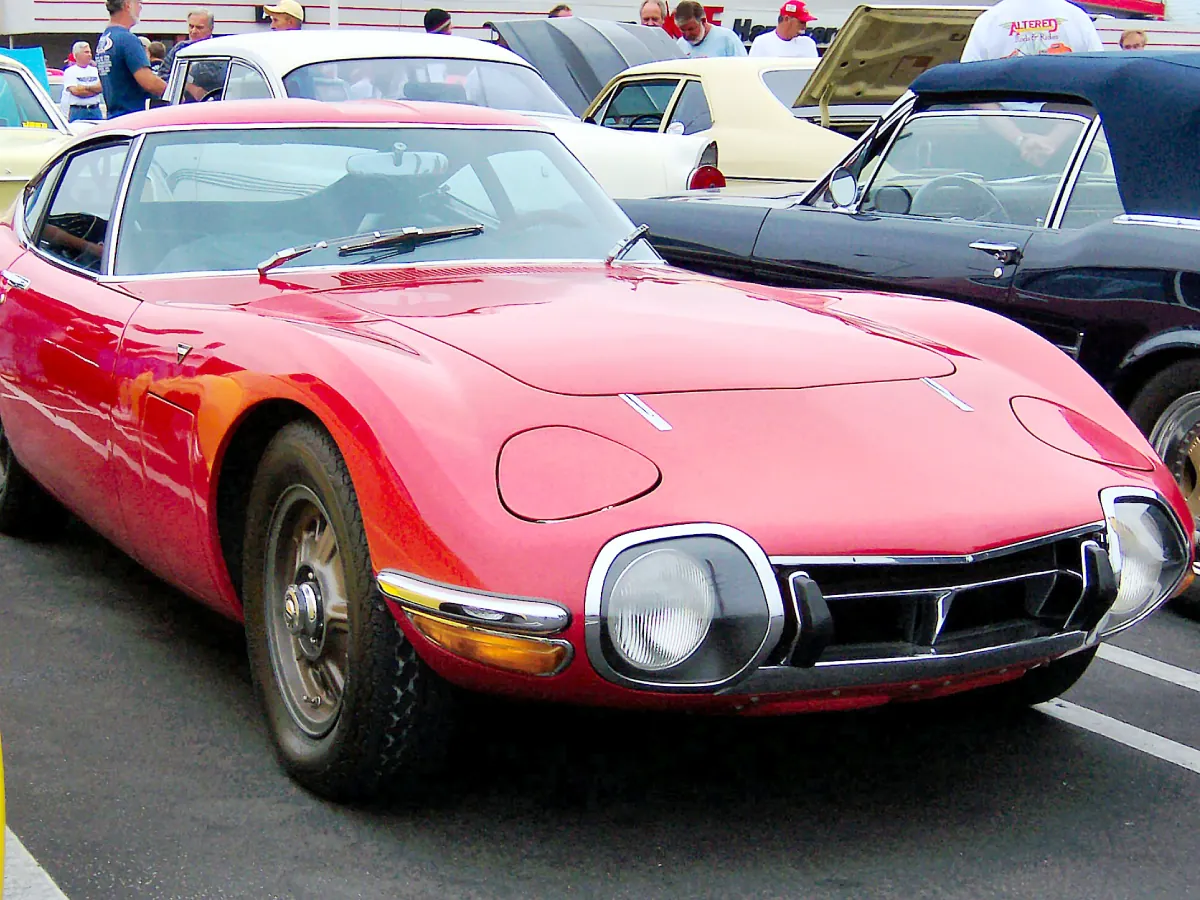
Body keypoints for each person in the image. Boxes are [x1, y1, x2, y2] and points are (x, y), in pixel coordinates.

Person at [960, 0, 1103, 61]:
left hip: (1003, 116)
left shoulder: (989, 20)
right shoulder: (1076, 17)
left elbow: (969, 83)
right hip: (1071, 118)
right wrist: (1068, 124)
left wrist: (1005, 124)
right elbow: (1097, 75)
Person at [96, 0, 167, 118]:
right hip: (132, 117)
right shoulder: (127, 39)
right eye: (138, 3)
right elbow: (149, 82)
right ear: (127, 5)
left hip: (114, 116)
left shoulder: (104, 40)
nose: (140, 8)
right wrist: (175, 93)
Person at [673, 0, 746, 57]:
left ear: (703, 21)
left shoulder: (727, 39)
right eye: (682, 30)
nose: (687, 34)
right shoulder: (680, 45)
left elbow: (743, 69)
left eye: (691, 29)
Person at [749, 0, 818, 57]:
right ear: (786, 19)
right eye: (801, 22)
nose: (804, 27)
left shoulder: (808, 44)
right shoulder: (762, 42)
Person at [61, 41, 104, 122]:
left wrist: (85, 87)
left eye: (90, 52)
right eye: (86, 52)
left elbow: (101, 88)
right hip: (78, 111)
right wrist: (94, 90)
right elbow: (76, 91)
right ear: (77, 55)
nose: (89, 55)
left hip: (95, 110)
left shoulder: (96, 70)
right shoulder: (70, 71)